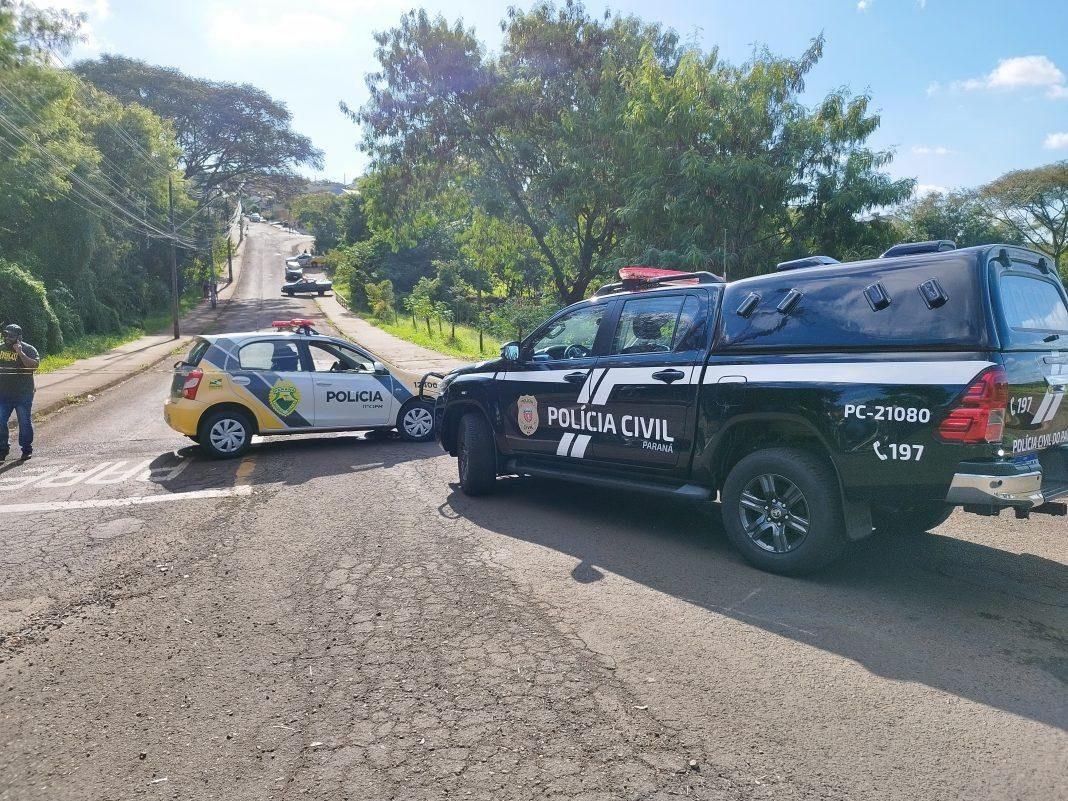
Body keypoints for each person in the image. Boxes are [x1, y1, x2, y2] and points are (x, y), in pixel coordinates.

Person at [0, 323, 41, 461]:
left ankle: (26, 449)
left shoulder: (29, 349)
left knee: (24, 422)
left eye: (10, 336)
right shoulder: (0, 348)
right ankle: (3, 449)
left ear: (19, 337)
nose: (7, 338)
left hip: (23, 393)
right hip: (3, 394)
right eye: (5, 335)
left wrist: (20, 352)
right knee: (0, 420)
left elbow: (34, 366)